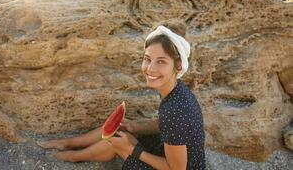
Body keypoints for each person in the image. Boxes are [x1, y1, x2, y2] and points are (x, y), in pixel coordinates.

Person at [37, 22, 206, 170]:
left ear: (178, 65)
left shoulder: (174, 109)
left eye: (161, 61)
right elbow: (169, 125)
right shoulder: (177, 90)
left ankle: (72, 156)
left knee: (116, 142)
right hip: (169, 151)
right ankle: (68, 143)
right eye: (147, 59)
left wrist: (132, 150)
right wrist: (137, 127)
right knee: (119, 129)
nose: (150, 68)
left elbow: (177, 169)